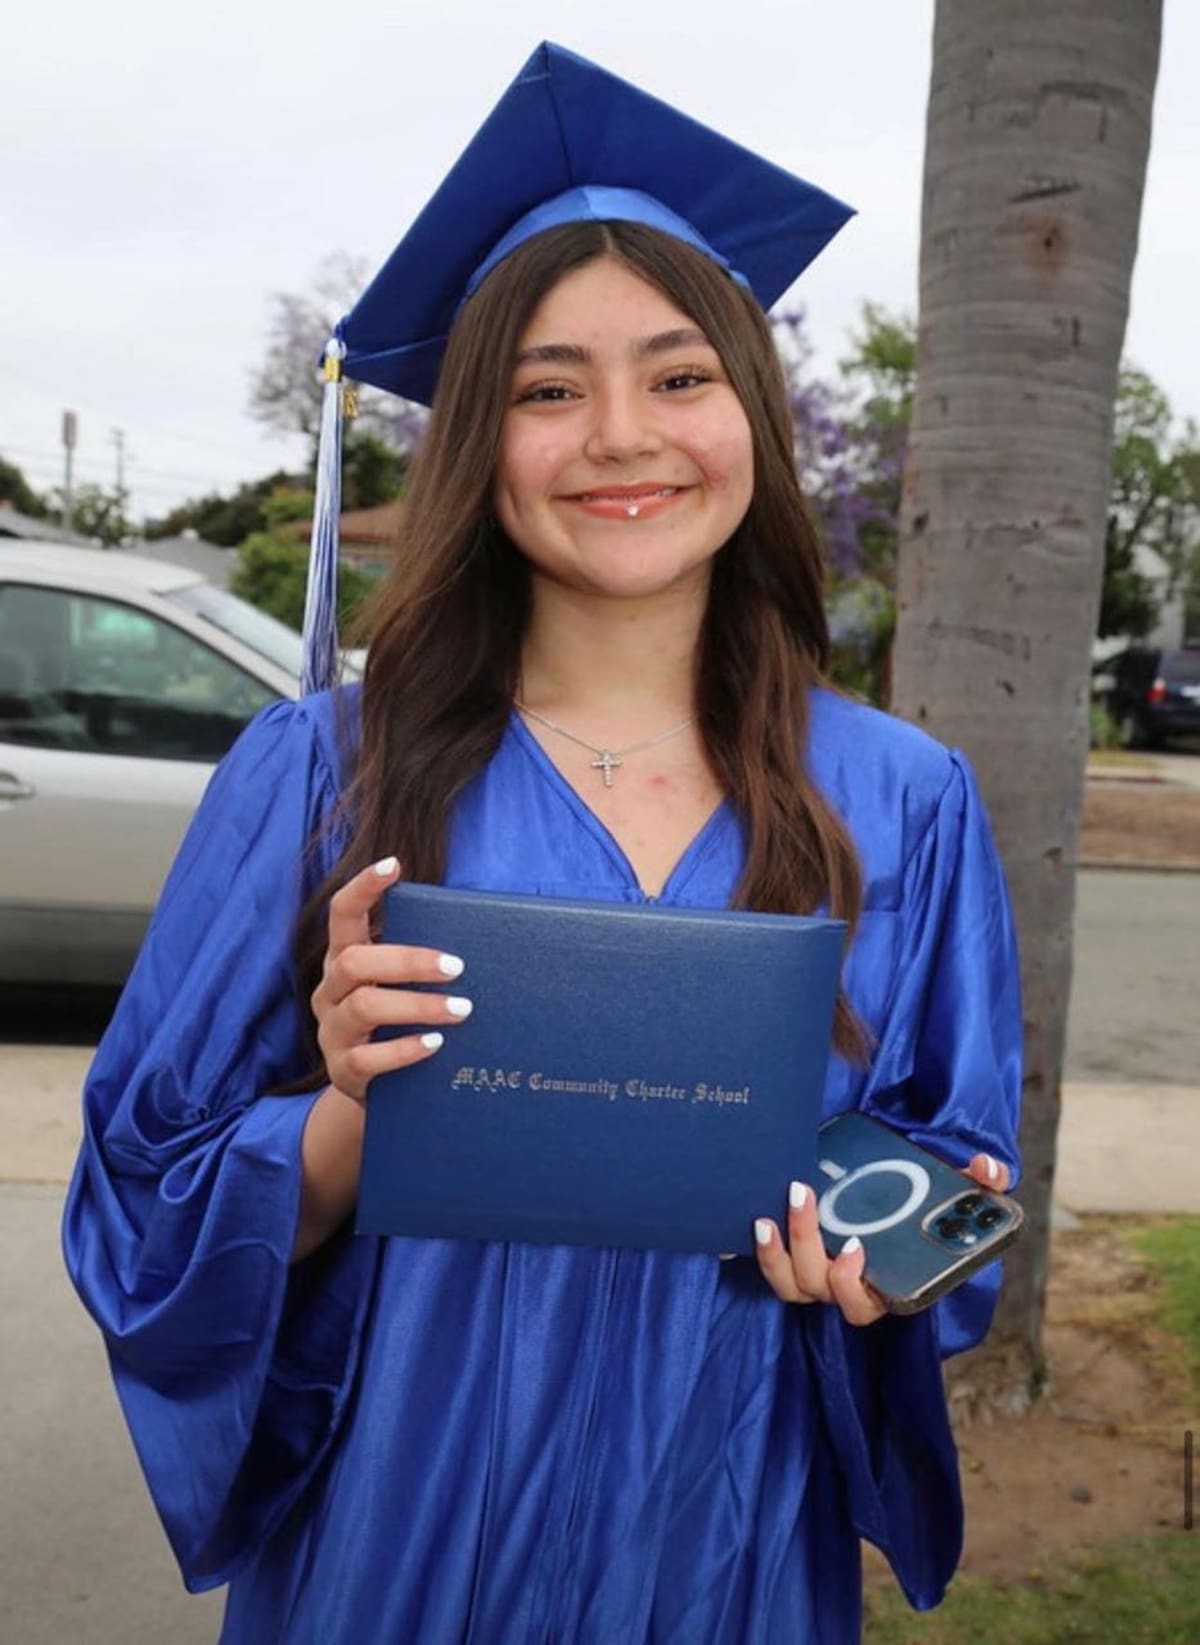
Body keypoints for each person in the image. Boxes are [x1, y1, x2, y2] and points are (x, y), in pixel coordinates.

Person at [63, 41, 1022, 1645]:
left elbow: (949, 1172)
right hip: (396, 1540)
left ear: (751, 416)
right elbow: (135, 1196)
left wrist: (888, 1256)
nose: (621, 438)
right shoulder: (319, 777)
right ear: (475, 441)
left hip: (724, 1531)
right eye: (547, 389)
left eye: (679, 375)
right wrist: (340, 1128)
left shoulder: (905, 796)